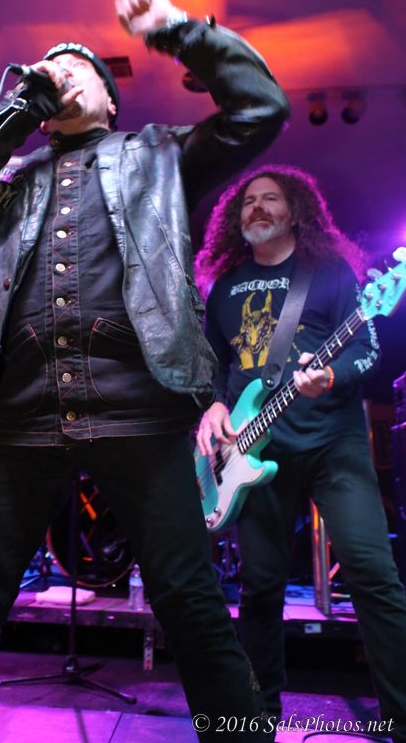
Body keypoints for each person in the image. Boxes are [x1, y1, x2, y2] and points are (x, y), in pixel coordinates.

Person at [0, 0, 289, 742]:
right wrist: (17, 107)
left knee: (190, 604)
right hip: (20, 419)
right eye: (47, 68)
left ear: (111, 101)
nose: (59, 72)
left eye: (75, 66)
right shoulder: (12, 182)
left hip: (140, 410)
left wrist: (179, 29)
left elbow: (261, 109)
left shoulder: (158, 155)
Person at [195, 164, 406, 741]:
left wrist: (330, 376)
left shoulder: (329, 272)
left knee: (373, 575)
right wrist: (213, 406)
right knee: (259, 588)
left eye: (271, 199)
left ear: (295, 213)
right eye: (248, 201)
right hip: (250, 454)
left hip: (333, 445)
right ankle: (254, 721)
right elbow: (214, 365)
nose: (257, 208)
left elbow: (365, 349)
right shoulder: (226, 286)